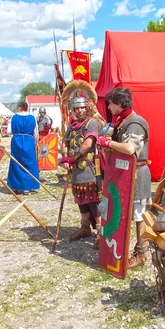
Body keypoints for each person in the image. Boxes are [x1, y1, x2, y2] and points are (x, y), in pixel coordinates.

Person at [99, 87, 152, 268]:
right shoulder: (123, 121)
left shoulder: (135, 123)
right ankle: (117, 246)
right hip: (124, 174)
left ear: (119, 104)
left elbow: (130, 149)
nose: (109, 107)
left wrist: (108, 142)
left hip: (137, 176)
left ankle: (141, 253)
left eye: (111, 104)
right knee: (120, 212)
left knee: (139, 216)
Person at [60, 80, 104, 245]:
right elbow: (64, 142)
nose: (79, 111)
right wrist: (65, 158)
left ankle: (100, 232)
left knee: (94, 200)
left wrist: (73, 158)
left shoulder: (92, 122)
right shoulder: (72, 126)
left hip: (90, 168)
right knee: (80, 198)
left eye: (82, 108)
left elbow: (87, 144)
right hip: (77, 170)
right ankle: (85, 227)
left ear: (88, 107)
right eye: (76, 108)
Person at [7, 101, 39, 194]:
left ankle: (16, 187)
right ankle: (28, 188)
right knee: (29, 163)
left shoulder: (14, 117)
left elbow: (9, 131)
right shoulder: (32, 118)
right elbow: (36, 133)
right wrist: (35, 143)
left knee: (16, 163)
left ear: (20, 107)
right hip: (28, 141)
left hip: (17, 141)